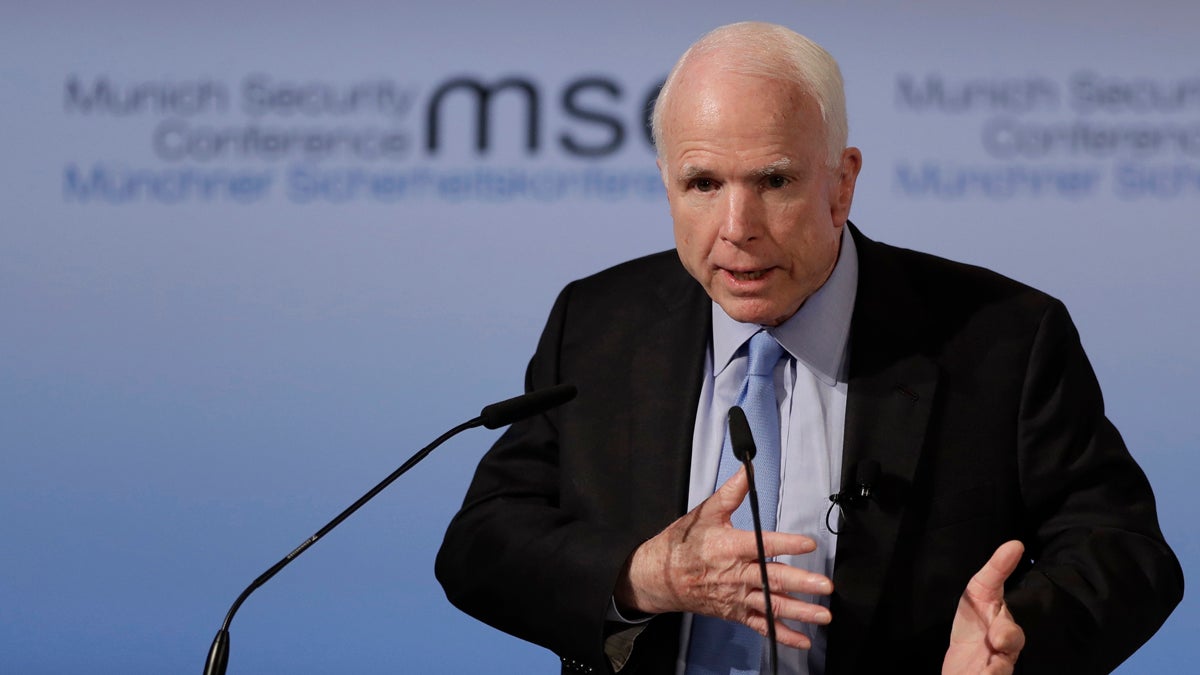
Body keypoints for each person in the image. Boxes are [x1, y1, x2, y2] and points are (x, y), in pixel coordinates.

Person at [435, 21, 1182, 675]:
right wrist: (642, 575)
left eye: (774, 181)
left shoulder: (1004, 338)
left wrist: (1022, 638)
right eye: (702, 183)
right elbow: (483, 544)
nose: (736, 226)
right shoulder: (597, 323)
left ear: (842, 184)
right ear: (666, 183)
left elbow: (1125, 550)